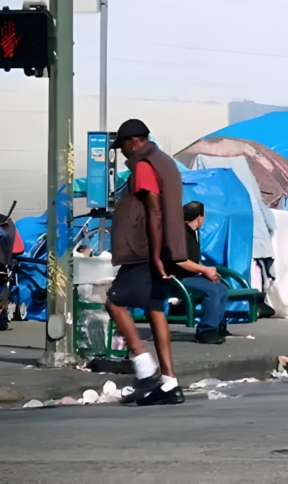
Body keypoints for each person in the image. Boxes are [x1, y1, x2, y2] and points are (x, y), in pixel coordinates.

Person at [105, 119, 187, 406]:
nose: (123, 153)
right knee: (155, 309)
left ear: (132, 142)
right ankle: (170, 383)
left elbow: (154, 211)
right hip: (168, 248)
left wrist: (154, 256)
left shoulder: (143, 165)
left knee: (114, 302)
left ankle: (145, 369)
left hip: (146, 250)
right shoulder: (165, 161)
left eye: (122, 147)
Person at [175, 202, 231, 345]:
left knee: (222, 289)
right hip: (178, 277)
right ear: (199, 217)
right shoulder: (180, 233)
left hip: (192, 275)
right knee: (212, 291)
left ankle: (217, 327)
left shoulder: (194, 233)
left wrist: (208, 271)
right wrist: (204, 270)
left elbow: (193, 260)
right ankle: (205, 331)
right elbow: (180, 261)